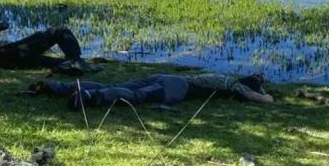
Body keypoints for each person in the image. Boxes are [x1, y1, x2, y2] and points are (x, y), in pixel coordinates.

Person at [29, 72, 274, 110]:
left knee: (122, 86)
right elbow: (260, 98)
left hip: (168, 77)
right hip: (178, 89)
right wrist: (263, 93)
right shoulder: (231, 83)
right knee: (136, 97)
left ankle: (54, 86)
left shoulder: (216, 76)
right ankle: (90, 97)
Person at [0, 22, 88, 73]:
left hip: (13, 60)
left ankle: (70, 64)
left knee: (54, 63)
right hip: (14, 53)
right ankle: (76, 60)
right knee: (59, 30)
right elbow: (2, 25)